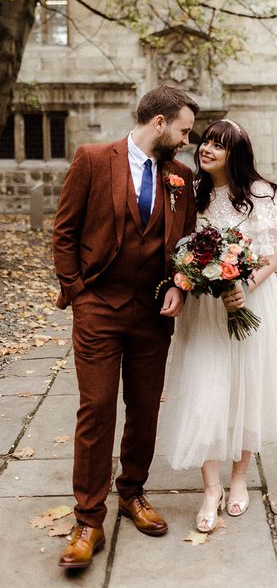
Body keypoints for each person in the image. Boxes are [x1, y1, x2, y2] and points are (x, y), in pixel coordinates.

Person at [52, 85, 199, 568]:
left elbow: (187, 244)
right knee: (96, 409)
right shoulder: (94, 159)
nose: (185, 139)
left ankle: (133, 491)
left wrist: (180, 282)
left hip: (152, 313)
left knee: (143, 409)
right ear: (159, 123)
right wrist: (77, 291)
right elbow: (65, 230)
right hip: (98, 307)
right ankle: (88, 520)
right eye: (182, 130)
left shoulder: (180, 177)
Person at [159, 119, 277, 532]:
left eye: (218, 146)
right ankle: (211, 488)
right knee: (205, 389)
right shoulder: (192, 193)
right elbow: (180, 250)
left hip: (251, 303)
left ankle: (239, 478)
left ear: (235, 154)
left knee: (245, 387)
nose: (206, 149)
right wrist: (188, 278)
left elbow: (273, 255)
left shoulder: (260, 194)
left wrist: (241, 286)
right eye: (205, 141)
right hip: (204, 310)